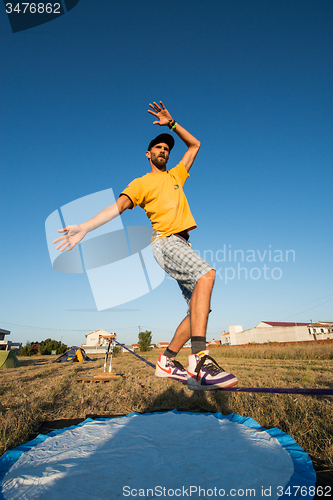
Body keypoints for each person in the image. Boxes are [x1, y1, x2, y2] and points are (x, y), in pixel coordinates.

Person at [53, 101, 237, 390]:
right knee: (207, 274)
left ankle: (167, 360)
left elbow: (195, 145)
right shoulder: (140, 183)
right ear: (148, 154)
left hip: (183, 245)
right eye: (158, 148)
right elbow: (116, 208)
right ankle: (199, 359)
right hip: (165, 241)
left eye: (167, 148)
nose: (164, 150)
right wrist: (85, 228)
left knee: (200, 311)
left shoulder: (176, 176)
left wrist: (172, 125)